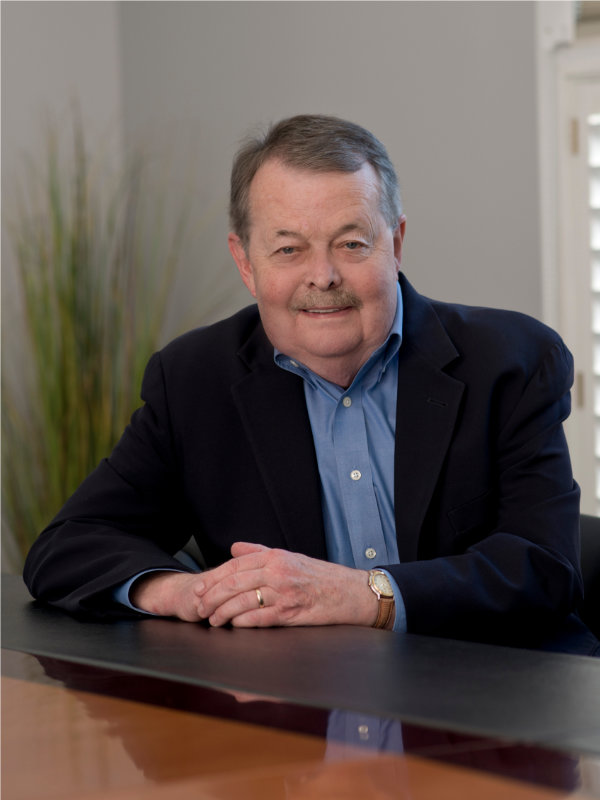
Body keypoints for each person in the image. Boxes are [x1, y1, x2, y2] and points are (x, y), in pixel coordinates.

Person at [23, 114, 594, 651]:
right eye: (288, 249)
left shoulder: (510, 362)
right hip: (299, 701)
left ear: (395, 244)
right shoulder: (194, 380)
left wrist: (361, 596)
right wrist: (191, 593)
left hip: (500, 689)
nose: (322, 276)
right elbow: (70, 545)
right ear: (245, 262)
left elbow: (544, 569)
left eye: (351, 243)